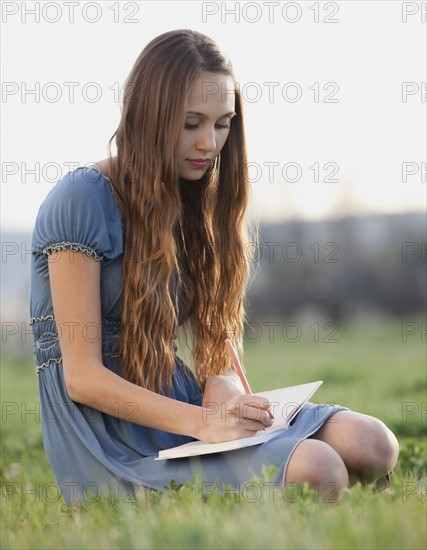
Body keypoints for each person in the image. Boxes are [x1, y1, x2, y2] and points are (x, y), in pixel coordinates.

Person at [30, 29, 399, 504]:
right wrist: (204, 424)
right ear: (149, 115)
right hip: (108, 435)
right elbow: (81, 378)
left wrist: (224, 399)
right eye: (191, 123)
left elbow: (215, 359)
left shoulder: (196, 201)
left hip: (185, 407)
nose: (209, 142)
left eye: (222, 123)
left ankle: (288, 477)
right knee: (320, 467)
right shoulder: (82, 197)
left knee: (374, 443)